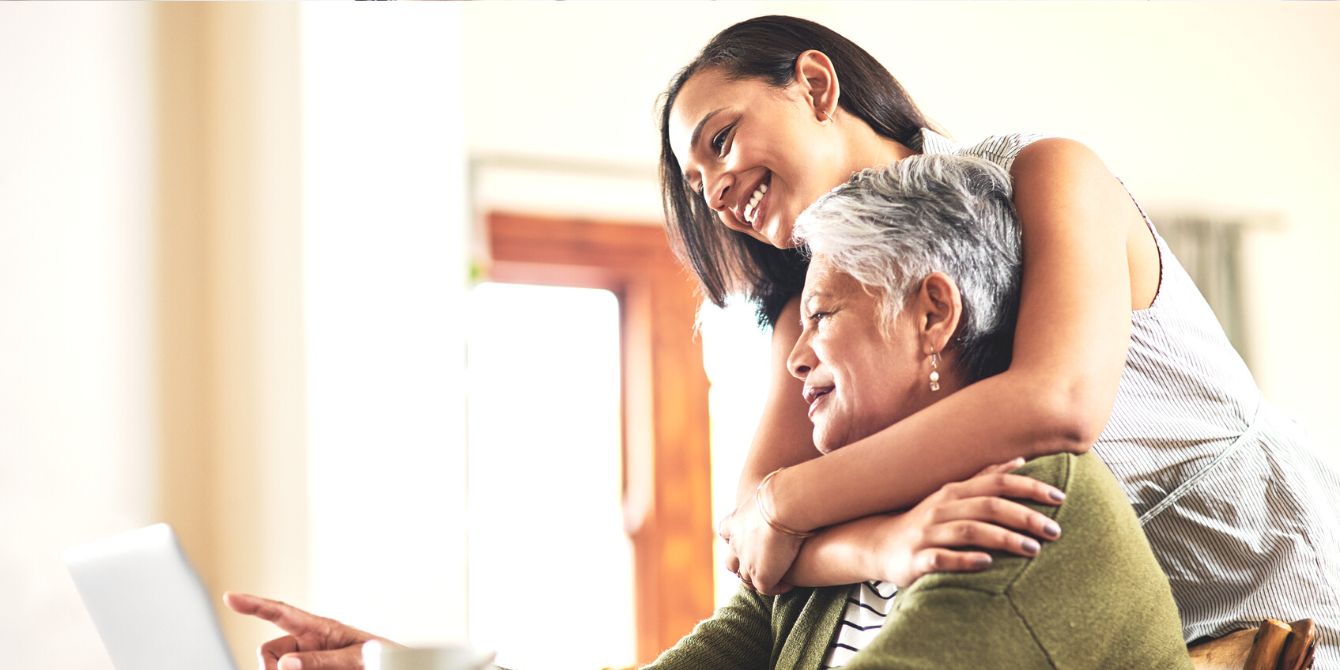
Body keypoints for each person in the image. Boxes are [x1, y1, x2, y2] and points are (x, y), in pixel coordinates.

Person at [661, 13, 1340, 663]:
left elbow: (1057, 402)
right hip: (1070, 609)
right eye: (695, 186)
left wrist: (789, 502)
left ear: (815, 84)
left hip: (1259, 570)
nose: (714, 194)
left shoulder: (1044, 174)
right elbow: (749, 541)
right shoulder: (806, 318)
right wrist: (884, 544)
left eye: (720, 141)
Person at [647, 153, 1191, 669]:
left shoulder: (1031, 502)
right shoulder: (830, 527)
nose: (795, 359)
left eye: (822, 315)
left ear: (933, 314)